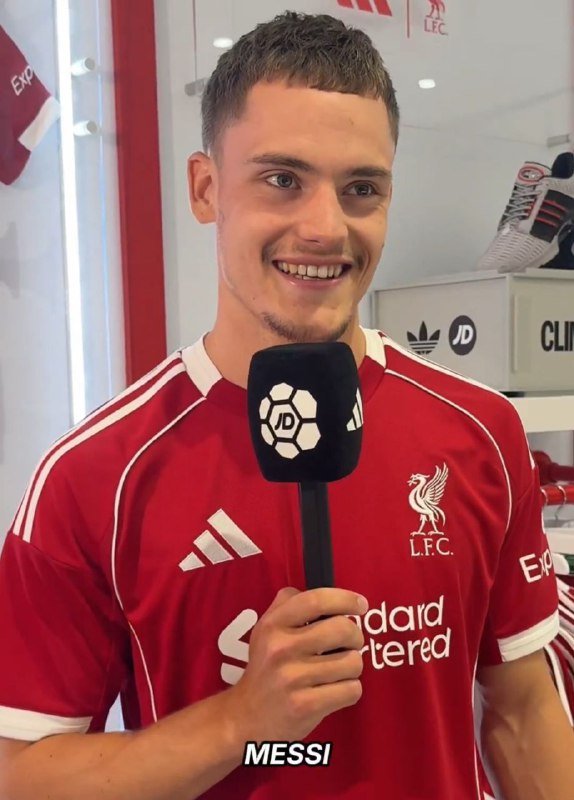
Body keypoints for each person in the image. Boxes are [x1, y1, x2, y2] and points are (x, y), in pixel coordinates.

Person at [0, 11, 573, 800]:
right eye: (282, 180)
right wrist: (238, 723)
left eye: (361, 189)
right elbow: (19, 773)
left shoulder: (480, 432)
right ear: (206, 189)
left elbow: (523, 711)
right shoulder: (93, 478)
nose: (324, 228)